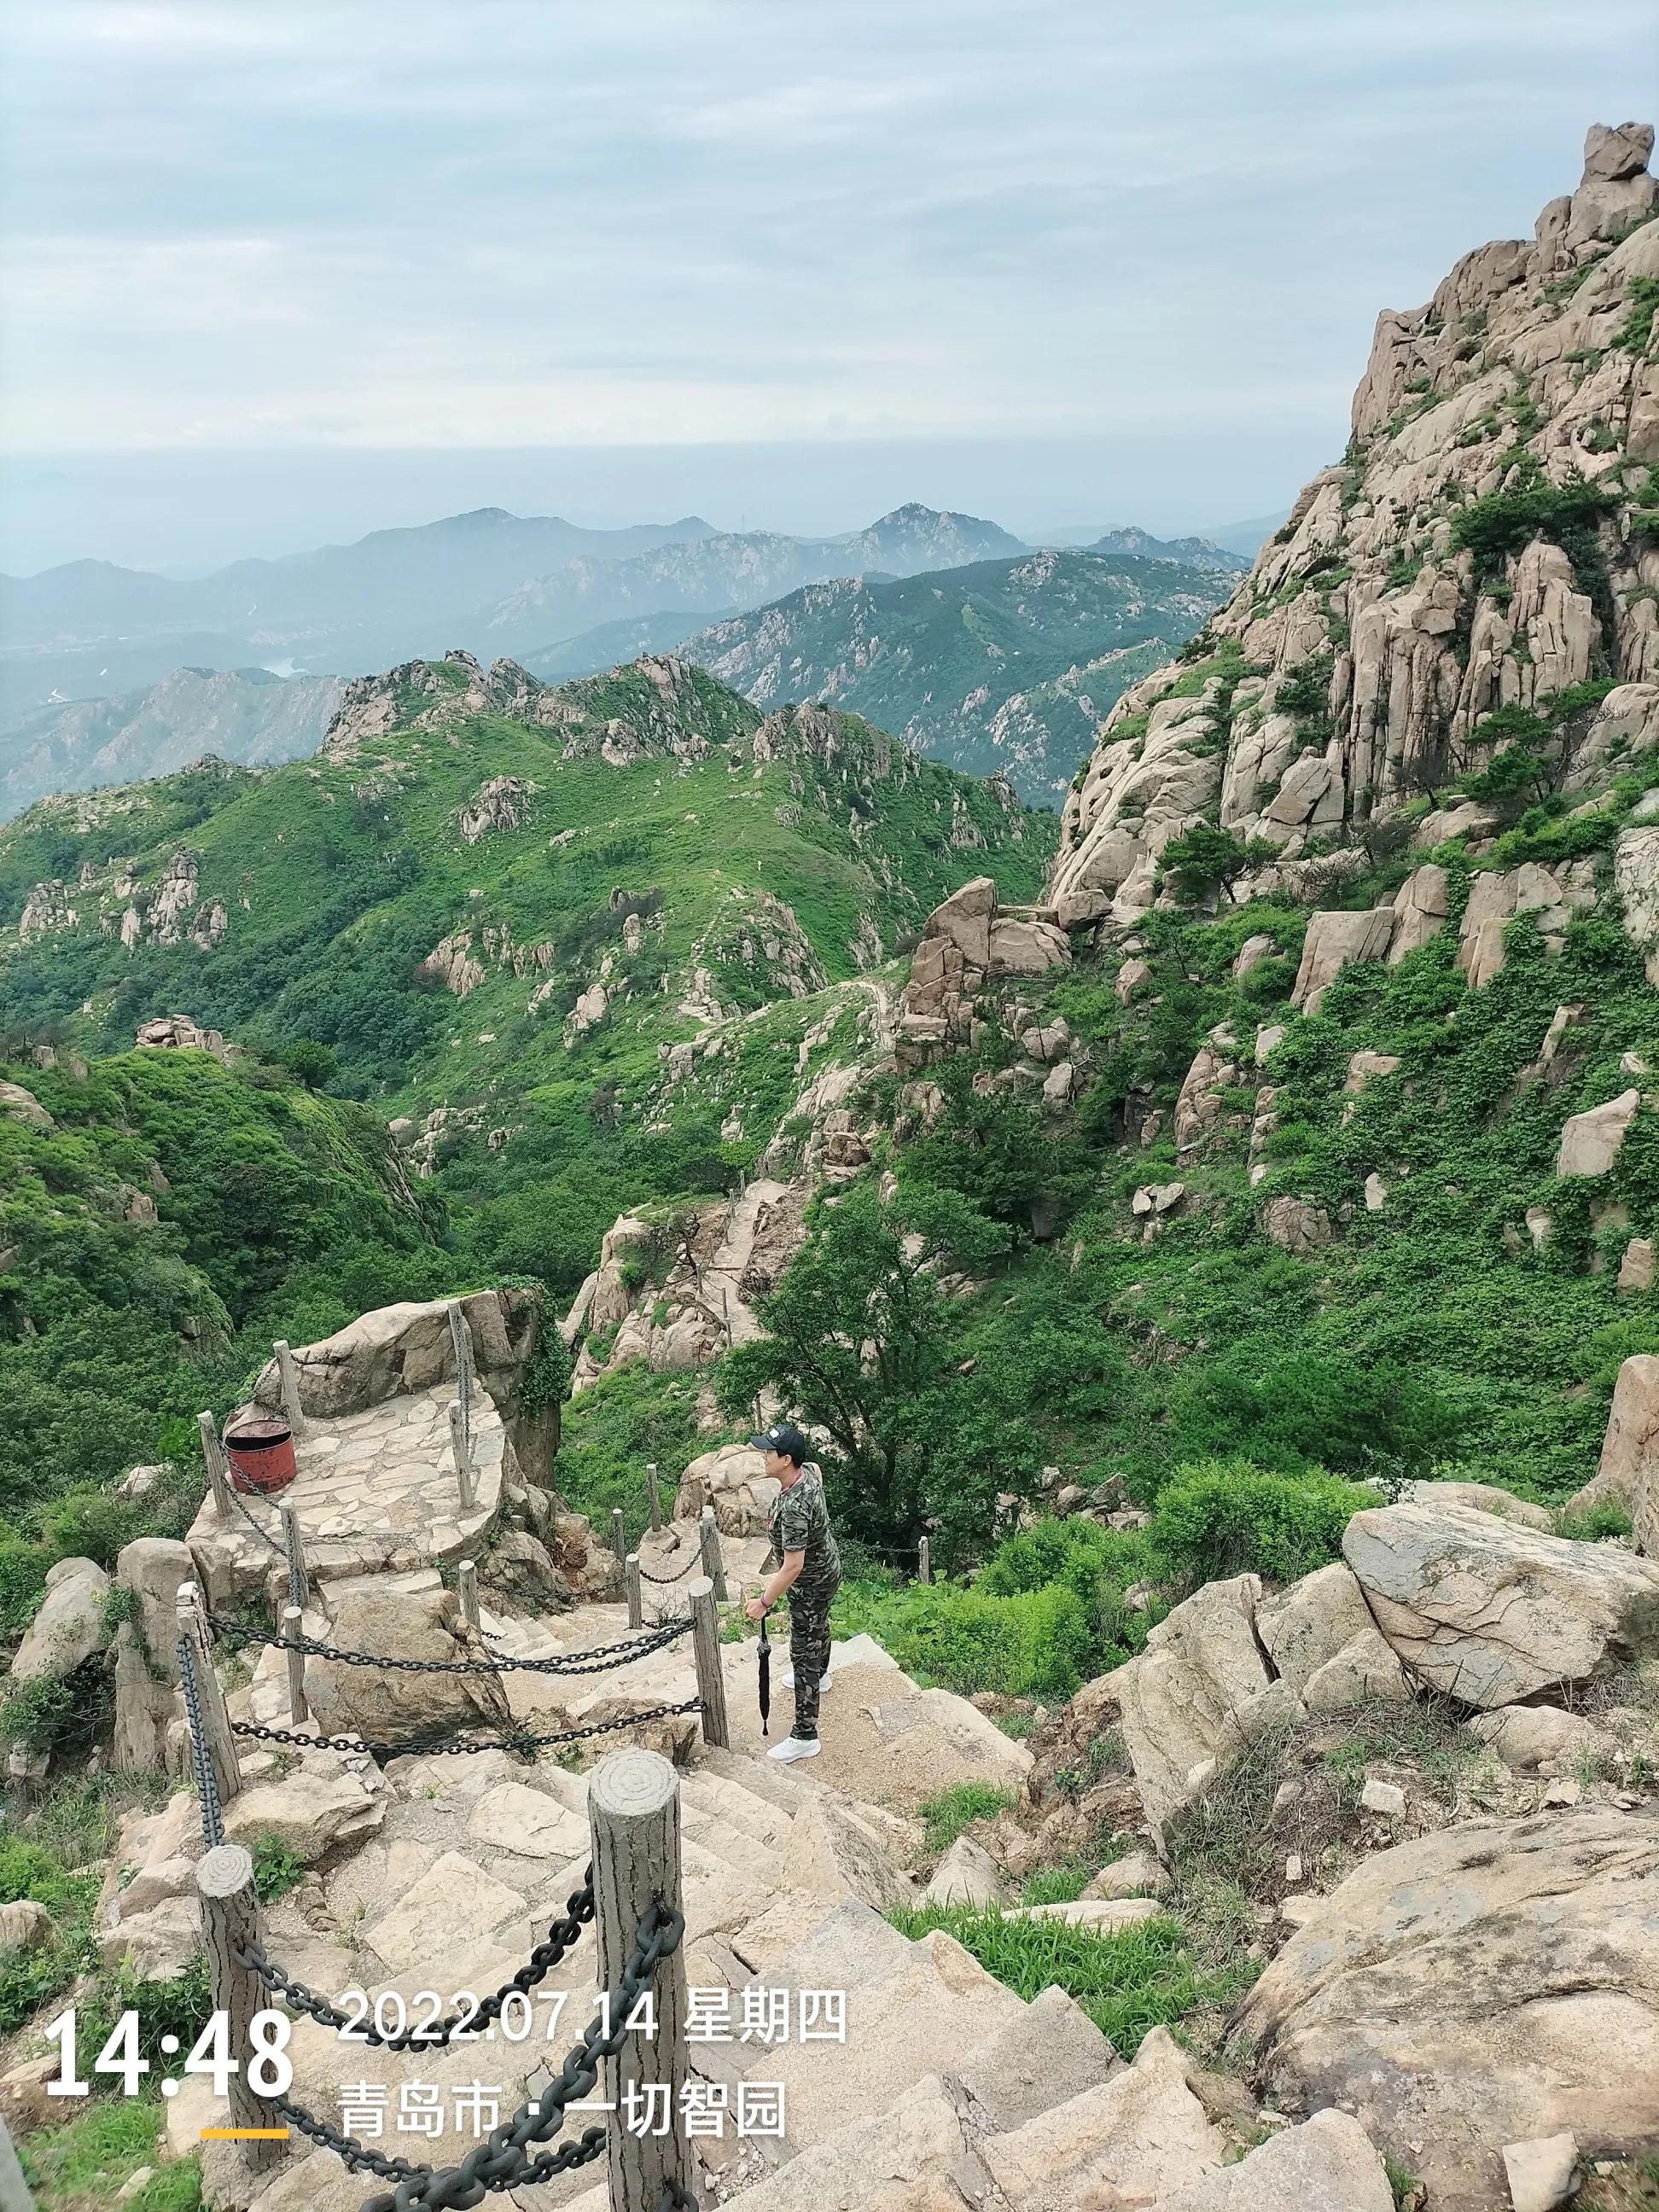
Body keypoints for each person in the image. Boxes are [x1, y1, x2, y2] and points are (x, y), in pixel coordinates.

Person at [744, 1420, 841, 1762]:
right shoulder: (808, 1472)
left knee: (803, 1652)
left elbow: (792, 1566)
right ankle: (823, 1676)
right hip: (827, 1569)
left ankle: (804, 1736)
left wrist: (764, 1602)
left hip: (811, 1582)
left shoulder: (796, 1507)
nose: (764, 1458)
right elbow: (817, 1467)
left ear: (786, 1460)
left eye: (769, 1453)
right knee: (818, 1629)